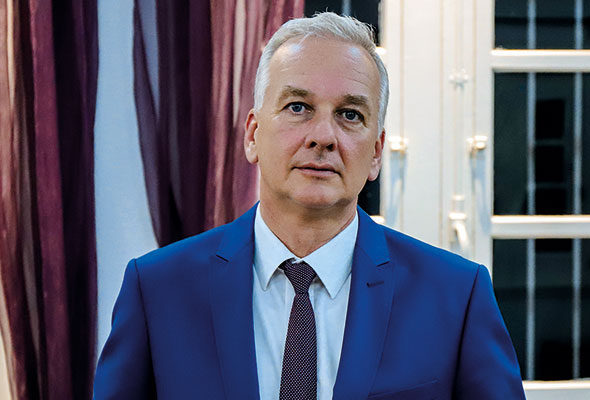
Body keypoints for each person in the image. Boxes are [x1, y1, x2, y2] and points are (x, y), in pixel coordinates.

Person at [93, 12, 526, 400]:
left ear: (376, 153)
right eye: (298, 107)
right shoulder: (157, 291)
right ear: (252, 135)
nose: (323, 136)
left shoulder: (456, 296)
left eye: (350, 114)